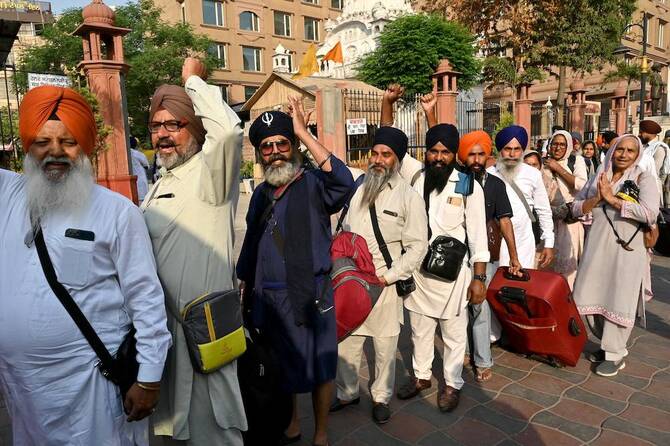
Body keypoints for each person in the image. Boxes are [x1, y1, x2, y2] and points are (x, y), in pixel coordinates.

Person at [0, 85, 171, 445]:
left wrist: (149, 379)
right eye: (42, 142)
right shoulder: (9, 196)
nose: (55, 153)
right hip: (23, 388)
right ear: (27, 145)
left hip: (92, 387)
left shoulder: (117, 212)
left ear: (86, 146)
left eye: (69, 141)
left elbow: (147, 299)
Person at [142, 58, 247, 445]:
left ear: (196, 129)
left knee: (215, 433)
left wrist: (192, 81)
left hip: (205, 334)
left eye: (175, 124)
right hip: (166, 337)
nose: (164, 135)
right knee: (174, 432)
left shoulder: (210, 174)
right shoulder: (160, 181)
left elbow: (229, 133)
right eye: (157, 126)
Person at [237, 99, 353, 445]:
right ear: (260, 154)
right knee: (279, 366)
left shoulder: (315, 184)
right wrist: (246, 285)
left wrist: (303, 131)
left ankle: (319, 431)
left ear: (294, 147)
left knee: (320, 365)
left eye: (282, 143)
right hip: (270, 297)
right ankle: (291, 421)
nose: (275, 152)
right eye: (267, 146)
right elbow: (252, 243)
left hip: (312, 294)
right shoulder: (260, 194)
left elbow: (344, 183)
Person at [333, 126, 427, 424]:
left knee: (385, 346)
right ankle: (347, 392)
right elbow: (347, 229)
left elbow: (417, 247)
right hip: (353, 284)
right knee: (348, 341)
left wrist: (389, 277)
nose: (378, 159)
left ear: (397, 159)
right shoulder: (361, 188)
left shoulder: (409, 197)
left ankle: (381, 397)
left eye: (386, 154)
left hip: (384, 285)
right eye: (374, 153)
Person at [572, 135, 659, 377]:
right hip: (596, 246)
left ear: (637, 154)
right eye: (620, 149)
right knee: (590, 294)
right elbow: (576, 207)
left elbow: (650, 214)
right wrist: (597, 198)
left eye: (630, 150)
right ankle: (606, 344)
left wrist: (613, 200)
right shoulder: (600, 177)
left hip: (627, 250)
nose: (623, 154)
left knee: (618, 298)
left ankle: (615, 352)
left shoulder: (644, 179)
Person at [456, 130, 521, 382]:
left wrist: (513, 256)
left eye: (480, 154)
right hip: (460, 255)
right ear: (463, 158)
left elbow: (504, 221)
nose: (475, 159)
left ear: (488, 157)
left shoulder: (495, 185)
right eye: (470, 154)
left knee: (479, 306)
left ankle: (482, 359)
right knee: (460, 305)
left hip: (486, 256)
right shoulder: (460, 181)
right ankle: (462, 350)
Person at [487, 126, 555, 269]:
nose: (512, 154)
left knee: (520, 287)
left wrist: (549, 243)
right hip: (494, 242)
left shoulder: (533, 174)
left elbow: (543, 210)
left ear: (522, 151)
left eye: (517, 149)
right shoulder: (488, 175)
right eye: (507, 149)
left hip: (523, 242)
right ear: (500, 150)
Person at [542, 130, 587, 288]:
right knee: (545, 266)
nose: (558, 148)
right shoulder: (543, 162)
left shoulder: (576, 161)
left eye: (562, 144)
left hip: (569, 222)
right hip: (547, 220)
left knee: (567, 268)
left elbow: (582, 186)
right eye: (555, 143)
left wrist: (558, 168)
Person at [638, 119, 669, 206]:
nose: (639, 134)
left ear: (650, 133)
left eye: (641, 132)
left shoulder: (659, 149)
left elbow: (654, 170)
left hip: (652, 187)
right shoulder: (643, 147)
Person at [130, 136, 150, 202]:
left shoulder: (124, 153)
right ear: (135, 145)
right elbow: (146, 165)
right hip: (140, 182)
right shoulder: (138, 154)